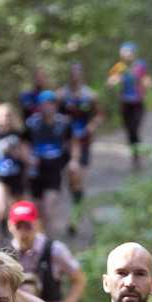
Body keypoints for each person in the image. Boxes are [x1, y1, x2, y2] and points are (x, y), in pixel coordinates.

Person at [0, 199, 82, 302]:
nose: (23, 232)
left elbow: (79, 280)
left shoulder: (55, 250)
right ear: (9, 225)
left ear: (37, 224)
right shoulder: (4, 255)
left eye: (27, 226)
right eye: (18, 226)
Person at [56, 62, 98, 239]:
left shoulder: (90, 95)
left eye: (78, 72)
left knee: (77, 179)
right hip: (64, 144)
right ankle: (76, 210)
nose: (75, 76)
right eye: (72, 72)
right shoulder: (60, 95)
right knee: (70, 182)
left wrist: (91, 126)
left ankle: (75, 217)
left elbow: (99, 114)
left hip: (83, 143)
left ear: (81, 75)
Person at [23, 90, 73, 234]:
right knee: (38, 209)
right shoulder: (31, 124)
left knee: (48, 206)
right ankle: (40, 236)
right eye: (44, 104)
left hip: (54, 169)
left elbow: (72, 142)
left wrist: (72, 160)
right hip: (36, 170)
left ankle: (46, 240)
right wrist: (28, 158)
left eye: (50, 104)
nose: (47, 107)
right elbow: (24, 143)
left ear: (55, 105)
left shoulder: (63, 123)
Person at [0, 104, 31, 235]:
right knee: (1, 208)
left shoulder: (20, 133)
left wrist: (18, 153)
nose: (5, 119)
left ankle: (18, 238)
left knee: (19, 211)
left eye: (8, 115)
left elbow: (27, 157)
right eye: (2, 116)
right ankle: (1, 239)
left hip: (16, 176)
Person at [106, 43, 152, 170]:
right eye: (123, 52)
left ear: (133, 53)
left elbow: (147, 79)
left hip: (137, 103)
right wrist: (114, 81)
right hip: (125, 103)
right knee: (129, 130)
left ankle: (137, 154)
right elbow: (110, 81)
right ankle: (135, 154)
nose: (125, 54)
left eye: (127, 52)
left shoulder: (140, 65)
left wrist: (146, 84)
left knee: (134, 128)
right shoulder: (119, 67)